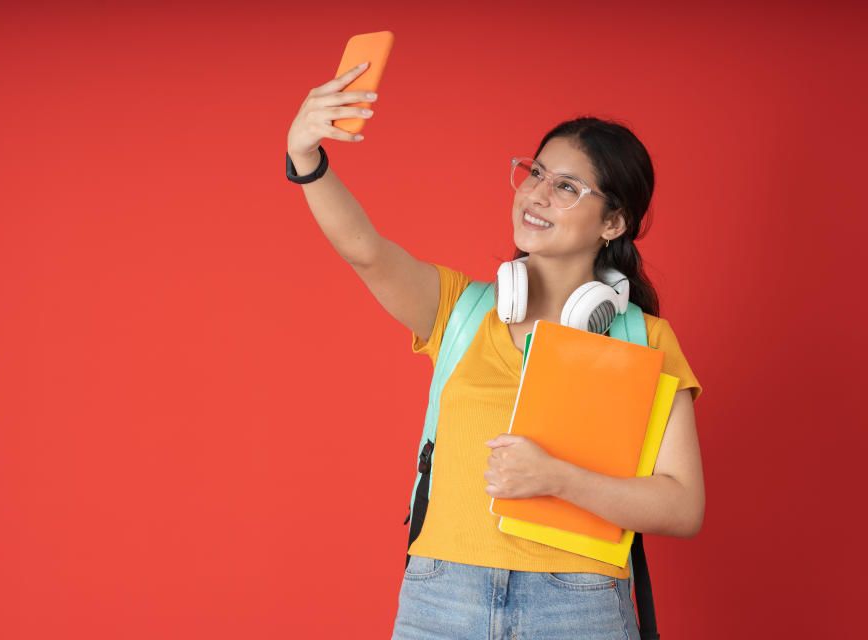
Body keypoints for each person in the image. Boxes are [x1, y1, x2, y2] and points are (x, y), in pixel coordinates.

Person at [287, 62, 704, 640]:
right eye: (535, 172)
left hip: (578, 603)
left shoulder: (643, 338)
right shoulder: (459, 309)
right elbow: (365, 250)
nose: (536, 193)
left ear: (613, 221)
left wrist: (557, 478)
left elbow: (682, 506)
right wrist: (306, 159)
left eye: (566, 186)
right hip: (442, 596)